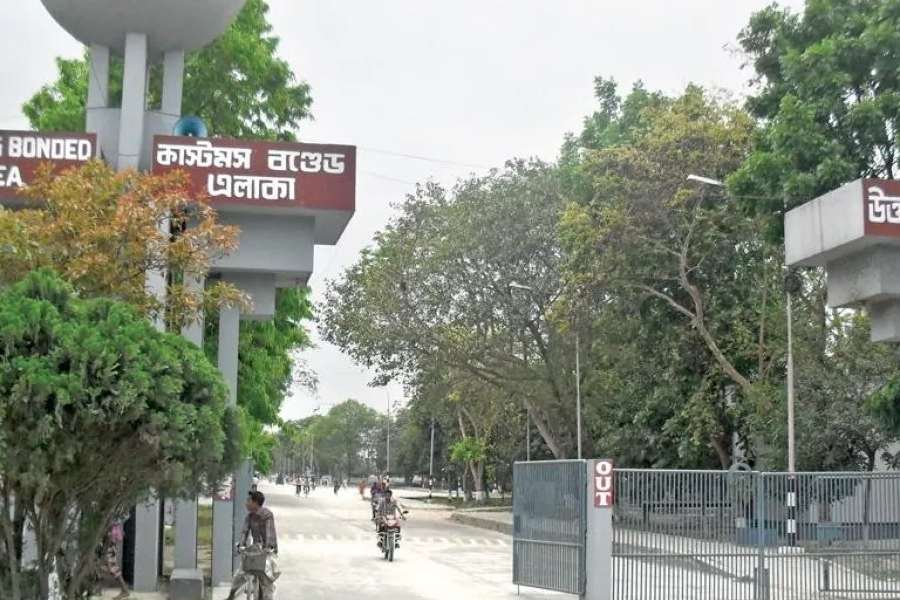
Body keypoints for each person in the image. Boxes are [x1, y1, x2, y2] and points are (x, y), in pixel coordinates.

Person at [226, 491, 279, 600]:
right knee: (240, 574)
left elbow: (269, 533)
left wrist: (267, 547)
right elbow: (244, 531)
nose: (246, 503)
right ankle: (231, 594)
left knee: (268, 581)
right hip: (255, 550)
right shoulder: (249, 517)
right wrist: (241, 545)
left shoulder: (267, 515)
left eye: (248, 500)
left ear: (255, 502)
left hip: (268, 551)